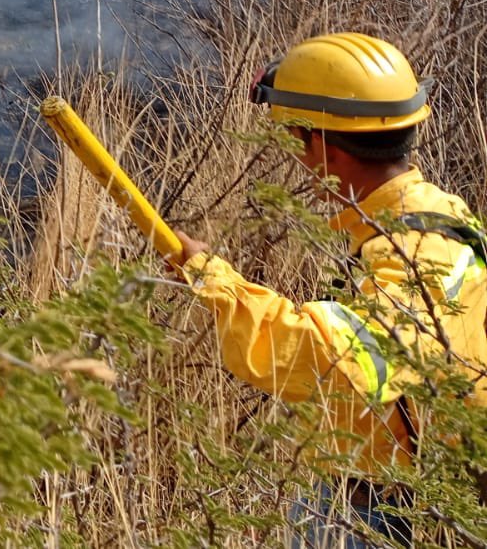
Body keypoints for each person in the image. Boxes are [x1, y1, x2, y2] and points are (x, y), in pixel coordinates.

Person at [174, 33, 487, 548]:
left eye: (292, 138)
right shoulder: (434, 213)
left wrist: (215, 280)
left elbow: (336, 360)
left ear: (320, 144)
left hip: (382, 507)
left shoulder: (421, 248)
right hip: (396, 490)